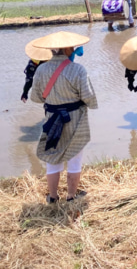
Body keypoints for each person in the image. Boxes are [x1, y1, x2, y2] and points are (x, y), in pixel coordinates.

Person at [28, 31, 97, 203]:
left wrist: (52, 99)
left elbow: (35, 97)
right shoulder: (78, 69)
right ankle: (71, 197)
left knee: (52, 158)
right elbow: (89, 97)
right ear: (68, 50)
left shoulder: (41, 70)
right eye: (72, 48)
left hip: (52, 120)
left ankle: (52, 197)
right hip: (75, 120)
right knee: (74, 158)